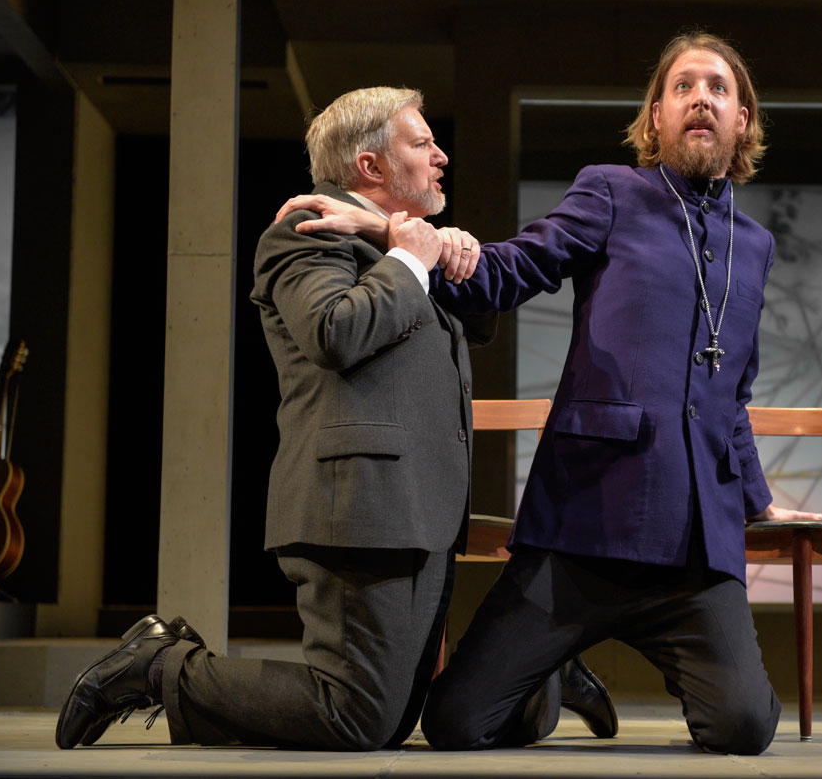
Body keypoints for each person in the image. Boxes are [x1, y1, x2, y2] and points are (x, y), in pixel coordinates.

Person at [273, 32, 822, 755]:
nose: (701, 99)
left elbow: (733, 395)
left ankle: (565, 662)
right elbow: (507, 271)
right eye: (683, 87)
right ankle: (555, 668)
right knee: (457, 723)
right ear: (655, 117)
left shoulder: (755, 245)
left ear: (742, 120)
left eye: (719, 89)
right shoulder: (612, 192)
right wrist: (386, 230)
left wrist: (757, 500)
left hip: (695, 550)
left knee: (745, 728)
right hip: (585, 529)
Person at [55, 87, 612, 751]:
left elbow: (476, 318)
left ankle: (535, 670)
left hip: (419, 510)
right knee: (356, 716)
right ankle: (157, 667)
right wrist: (411, 257)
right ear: (371, 165)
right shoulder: (305, 231)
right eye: (421, 143)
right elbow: (335, 331)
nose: (441, 156)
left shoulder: (398, 246)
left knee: (410, 719)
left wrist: (441, 250)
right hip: (359, 508)